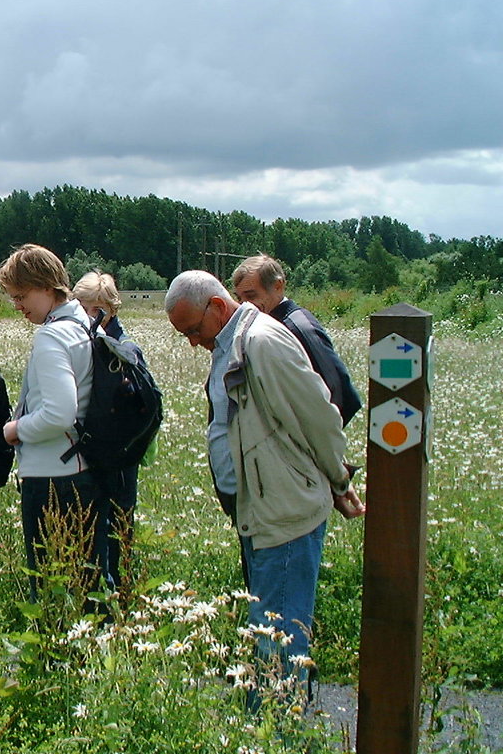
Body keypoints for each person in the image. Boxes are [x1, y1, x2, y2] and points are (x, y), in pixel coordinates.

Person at [164, 270, 364, 706]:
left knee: (280, 638)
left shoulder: (264, 342)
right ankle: (268, 729)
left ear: (217, 307)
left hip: (284, 511)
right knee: (268, 629)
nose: (192, 342)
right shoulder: (233, 343)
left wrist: (338, 480)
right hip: (262, 508)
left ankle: (278, 733)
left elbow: (321, 417)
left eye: (194, 329)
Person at [0, 245, 101, 607]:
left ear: (48, 287)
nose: (18, 305)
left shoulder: (53, 335)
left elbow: (58, 413)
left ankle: (57, 657)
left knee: (54, 585)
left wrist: (15, 430)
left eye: (22, 296)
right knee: (83, 582)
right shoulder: (83, 325)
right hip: (82, 470)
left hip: (54, 477)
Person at [71, 271, 141, 598]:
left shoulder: (123, 349)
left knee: (117, 525)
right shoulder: (82, 343)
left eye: (93, 309)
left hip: (117, 456)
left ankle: (117, 598)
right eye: (81, 307)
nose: (87, 315)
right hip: (90, 452)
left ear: (110, 309)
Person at [231, 254, 362, 427]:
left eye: (251, 296)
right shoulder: (265, 326)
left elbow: (343, 395)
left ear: (278, 286)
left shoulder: (298, 327)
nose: (244, 306)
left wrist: (317, 443)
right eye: (239, 298)